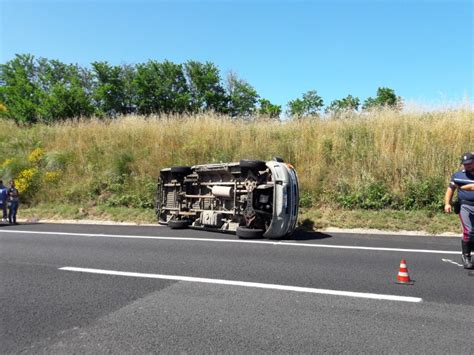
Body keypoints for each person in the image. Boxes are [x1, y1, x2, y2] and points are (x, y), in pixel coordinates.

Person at [444, 152, 474, 269]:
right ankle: (466, 256)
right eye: (465, 164)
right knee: (468, 231)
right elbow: (450, 190)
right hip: (465, 206)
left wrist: (464, 187)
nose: (467, 166)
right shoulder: (458, 176)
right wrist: (447, 203)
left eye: (470, 163)